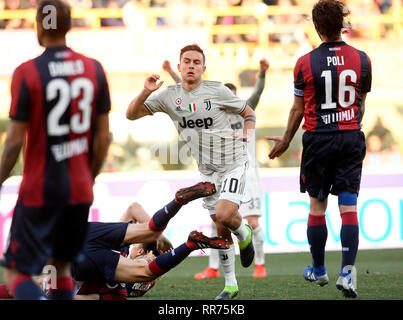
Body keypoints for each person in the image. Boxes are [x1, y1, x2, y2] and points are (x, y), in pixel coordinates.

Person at [0, 0, 111, 300]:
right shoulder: (94, 69)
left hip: (40, 189)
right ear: (68, 26)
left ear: (39, 26)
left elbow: (12, 142)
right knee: (60, 268)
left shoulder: (27, 72)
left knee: (16, 273)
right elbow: (103, 138)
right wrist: (89, 178)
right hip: (79, 189)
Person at [127, 44, 256, 300]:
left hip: (233, 161)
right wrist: (145, 91)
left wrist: (247, 133)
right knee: (219, 225)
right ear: (179, 66)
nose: (191, 66)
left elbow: (247, 111)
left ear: (203, 68)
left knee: (223, 214)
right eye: (186, 61)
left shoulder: (216, 90)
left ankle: (244, 233)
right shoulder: (168, 96)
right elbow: (131, 115)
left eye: (197, 62)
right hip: (207, 170)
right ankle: (230, 284)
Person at [267, 0, 372, 299]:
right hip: (350, 136)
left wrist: (286, 140)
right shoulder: (363, 59)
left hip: (317, 139)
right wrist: (348, 124)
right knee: (349, 206)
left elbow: (297, 109)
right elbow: (360, 103)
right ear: (342, 24)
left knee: (317, 207)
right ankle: (349, 272)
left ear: (316, 27)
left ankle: (319, 268)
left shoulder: (304, 63)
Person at [162, 58, 270, 279]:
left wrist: (261, 73)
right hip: (222, 172)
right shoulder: (212, 116)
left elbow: (257, 94)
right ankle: (213, 268)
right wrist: (172, 72)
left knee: (253, 222)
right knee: (217, 221)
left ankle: (260, 265)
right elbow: (189, 92)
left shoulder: (244, 112)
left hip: (247, 174)